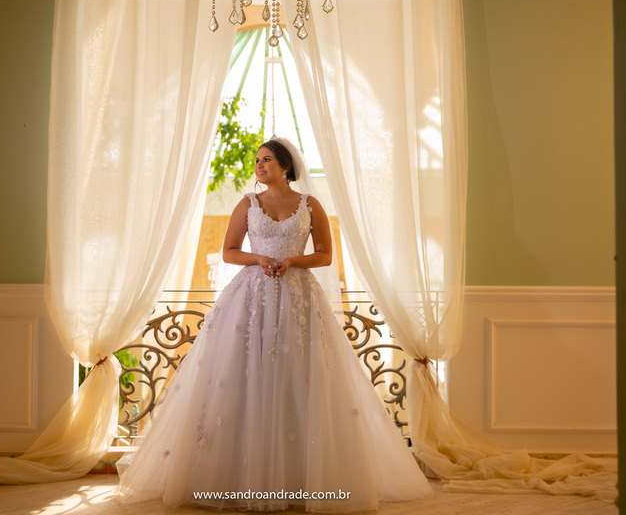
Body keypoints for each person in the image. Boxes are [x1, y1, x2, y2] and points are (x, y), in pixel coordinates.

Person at [117, 138, 432, 511]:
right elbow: (229, 251)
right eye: (256, 161)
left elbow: (326, 255)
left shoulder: (310, 205)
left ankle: (300, 478)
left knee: (299, 377)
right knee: (244, 377)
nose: (259, 166)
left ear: (285, 165)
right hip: (251, 299)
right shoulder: (248, 204)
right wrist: (260, 258)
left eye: (266, 160)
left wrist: (293, 262)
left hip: (299, 297)